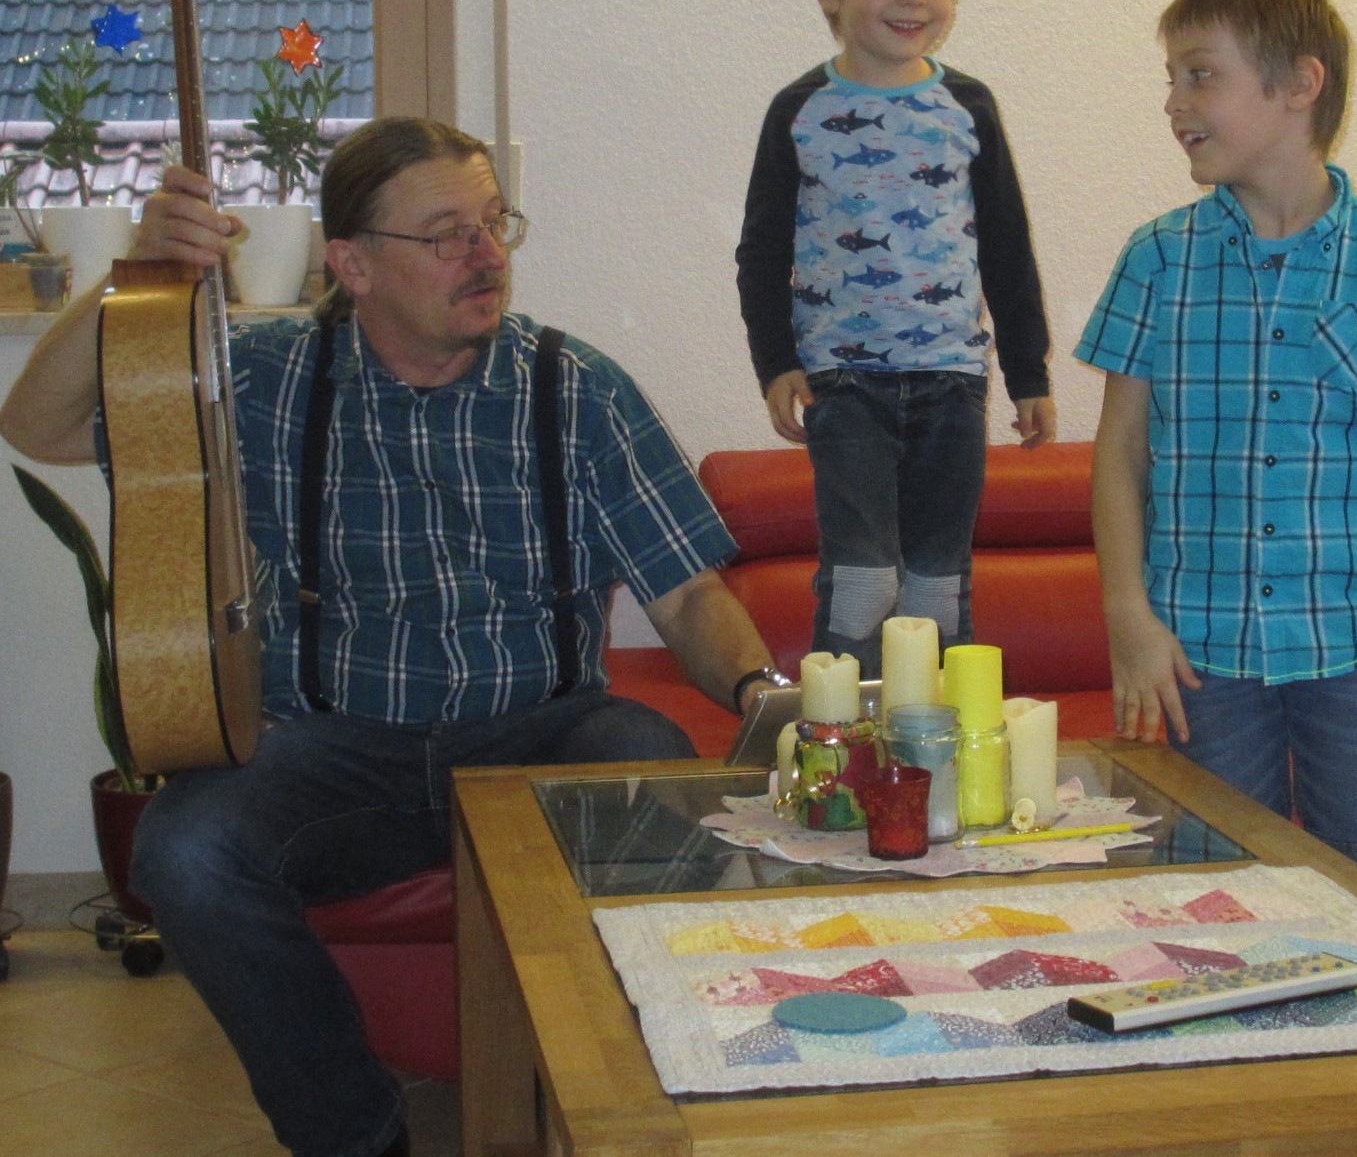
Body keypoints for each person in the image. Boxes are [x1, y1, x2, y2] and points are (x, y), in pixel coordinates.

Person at [0, 116, 780, 1157]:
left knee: (645, 752)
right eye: (447, 233)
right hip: (333, 755)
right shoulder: (261, 379)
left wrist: (763, 693)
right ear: (353, 264)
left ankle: (624, 1106)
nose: (487, 253)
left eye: (493, 221)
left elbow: (684, 593)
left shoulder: (575, 386)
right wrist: (134, 273)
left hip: (535, 737)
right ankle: (357, 1135)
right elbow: (38, 425)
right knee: (184, 849)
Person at [1076, 0, 1357, 897]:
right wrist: (1128, 615)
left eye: (1200, 74)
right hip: (1196, 646)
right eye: (1171, 78)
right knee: (1213, 873)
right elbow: (1121, 450)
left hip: (1348, 639)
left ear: (1299, 84)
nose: (1174, 102)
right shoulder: (1158, 257)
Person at [736, 0, 1054, 676]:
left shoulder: (967, 107)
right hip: (844, 382)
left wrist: (1029, 373)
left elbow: (1007, 244)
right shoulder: (800, 111)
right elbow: (762, 250)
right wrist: (776, 362)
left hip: (952, 379)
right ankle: (841, 738)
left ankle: (931, 739)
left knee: (937, 585)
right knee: (863, 580)